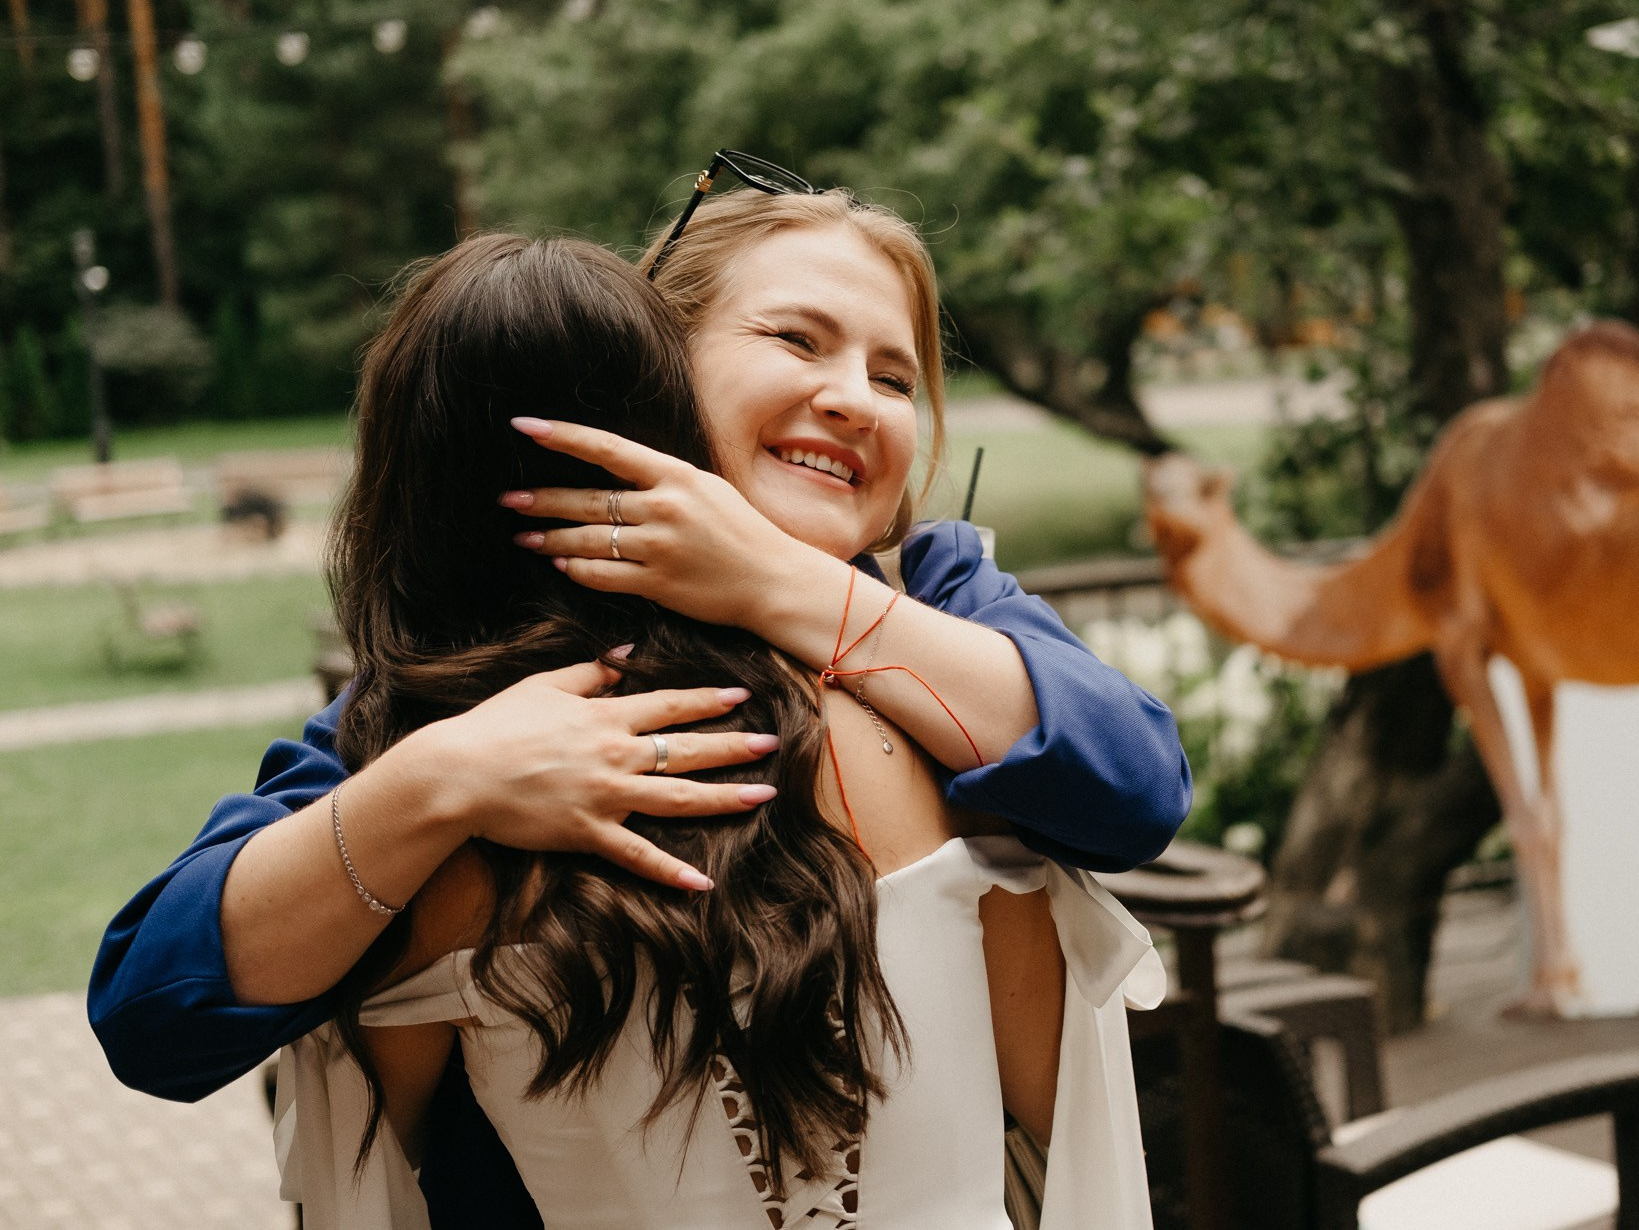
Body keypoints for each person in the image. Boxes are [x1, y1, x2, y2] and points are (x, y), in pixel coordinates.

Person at [89, 174, 1190, 1222]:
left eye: (895, 377)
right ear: (655, 365)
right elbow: (153, 1013)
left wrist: (782, 584)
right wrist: (440, 782)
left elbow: (1134, 790)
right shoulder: (468, 684)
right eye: (795, 339)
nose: (853, 397)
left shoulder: (937, 592)